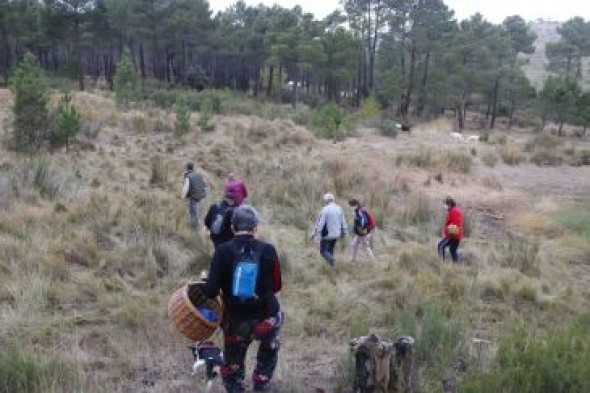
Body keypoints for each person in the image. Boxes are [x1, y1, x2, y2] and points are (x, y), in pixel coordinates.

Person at [200, 205, 283, 392]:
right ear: (255, 228)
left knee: (232, 367)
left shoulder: (222, 251)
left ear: (232, 227)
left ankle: (235, 385)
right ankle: (261, 381)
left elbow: (211, 291)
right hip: (266, 317)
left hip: (235, 320)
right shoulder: (268, 250)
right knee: (269, 350)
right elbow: (276, 286)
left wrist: (205, 280)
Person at [311, 193, 347, 266]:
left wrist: (317, 234)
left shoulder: (325, 209)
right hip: (336, 234)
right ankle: (332, 267)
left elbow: (320, 223)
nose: (324, 202)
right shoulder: (339, 208)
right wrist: (344, 232)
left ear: (326, 200)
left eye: (324, 200)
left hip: (327, 235)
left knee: (323, 251)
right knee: (330, 250)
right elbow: (343, 221)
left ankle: (331, 259)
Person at [181, 162, 208, 229]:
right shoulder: (199, 175)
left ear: (187, 168)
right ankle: (200, 224)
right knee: (198, 211)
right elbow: (205, 185)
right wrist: (204, 193)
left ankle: (195, 228)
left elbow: (185, 188)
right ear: (193, 167)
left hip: (193, 197)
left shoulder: (188, 176)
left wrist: (182, 197)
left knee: (193, 213)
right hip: (201, 196)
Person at [348, 199, 375, 263]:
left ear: (355, 205)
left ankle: (372, 261)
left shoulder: (360, 211)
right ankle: (352, 259)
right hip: (360, 232)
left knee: (365, 247)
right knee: (354, 245)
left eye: (351, 206)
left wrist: (361, 229)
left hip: (364, 231)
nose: (350, 207)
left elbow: (363, 221)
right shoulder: (359, 210)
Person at [438, 196, 463, 263]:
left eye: (445, 204)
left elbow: (454, 225)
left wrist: (447, 233)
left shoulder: (453, 211)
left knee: (440, 246)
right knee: (452, 250)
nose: (444, 206)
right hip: (458, 235)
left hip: (453, 234)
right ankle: (455, 266)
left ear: (449, 204)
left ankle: (441, 264)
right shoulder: (456, 210)